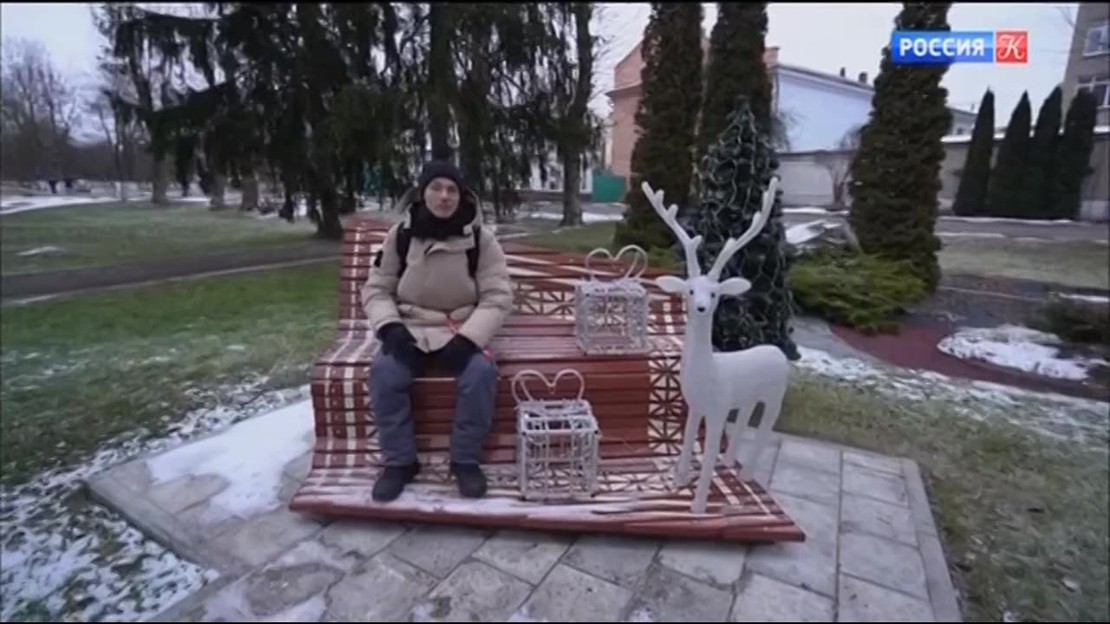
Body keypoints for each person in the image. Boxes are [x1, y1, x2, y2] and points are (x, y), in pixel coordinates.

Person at [361, 154, 514, 502]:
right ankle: (400, 462)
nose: (444, 196)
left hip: (461, 327)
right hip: (410, 328)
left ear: (461, 196)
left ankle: (465, 460)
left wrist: (470, 338)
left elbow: (497, 296)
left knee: (481, 374)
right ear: (422, 193)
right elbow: (377, 288)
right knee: (385, 373)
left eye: (452, 190)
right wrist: (389, 327)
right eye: (436, 188)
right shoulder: (400, 236)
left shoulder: (481, 239)